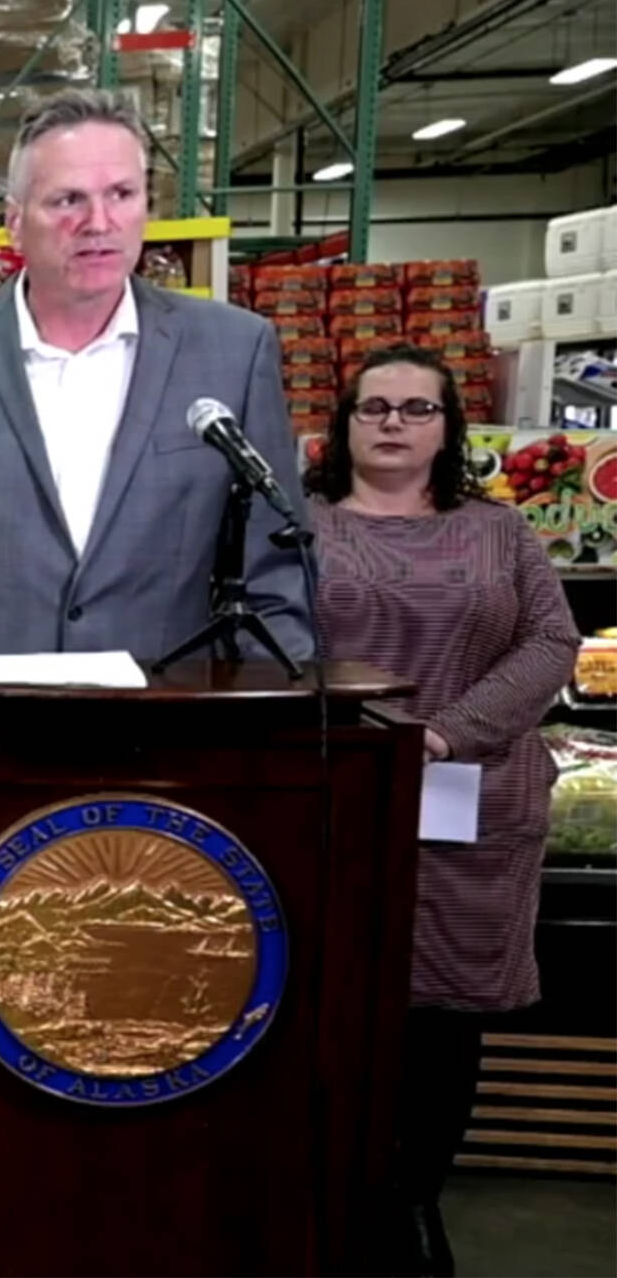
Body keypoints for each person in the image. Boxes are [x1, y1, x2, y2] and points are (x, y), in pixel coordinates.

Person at [0, 88, 313, 837]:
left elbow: (276, 574)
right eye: (66, 199)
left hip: (169, 765)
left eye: (121, 194)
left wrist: (282, 750)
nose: (98, 222)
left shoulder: (231, 352)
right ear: (14, 221)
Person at [304, 344, 579, 1276]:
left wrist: (442, 733)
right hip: (330, 802)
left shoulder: (499, 533)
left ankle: (413, 1203)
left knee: (443, 1016)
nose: (392, 422)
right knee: (324, 996)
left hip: (470, 803)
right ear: (341, 423)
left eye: (417, 409)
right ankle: (325, 1200)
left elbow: (553, 640)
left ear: (449, 427)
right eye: (373, 405)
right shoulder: (294, 530)